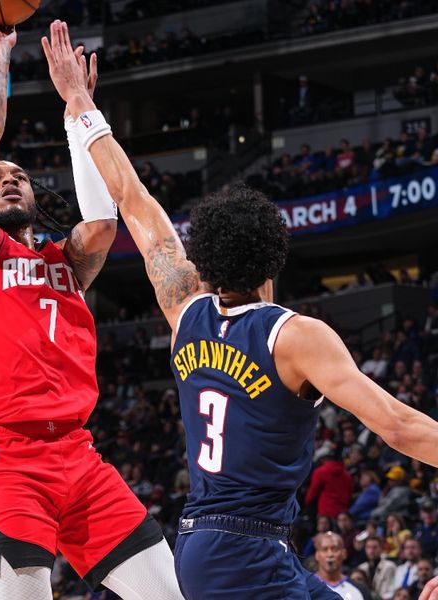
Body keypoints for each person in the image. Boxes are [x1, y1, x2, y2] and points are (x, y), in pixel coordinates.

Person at [40, 18, 438, 600]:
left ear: (204, 263)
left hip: (205, 547)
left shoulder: (186, 313)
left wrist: (79, 104)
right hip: (249, 553)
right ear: (274, 260)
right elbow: (399, 426)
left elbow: (134, 202)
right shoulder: (295, 337)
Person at [0, 5, 183, 600]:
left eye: (19, 174)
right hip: (5, 456)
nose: (10, 179)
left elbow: (102, 223)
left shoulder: (61, 259)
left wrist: (79, 113)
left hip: (78, 454)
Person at [314, 531, 372, 600]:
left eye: (335, 549)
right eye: (325, 549)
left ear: (344, 553)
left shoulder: (360, 590)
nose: (330, 555)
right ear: (317, 555)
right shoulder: (304, 588)